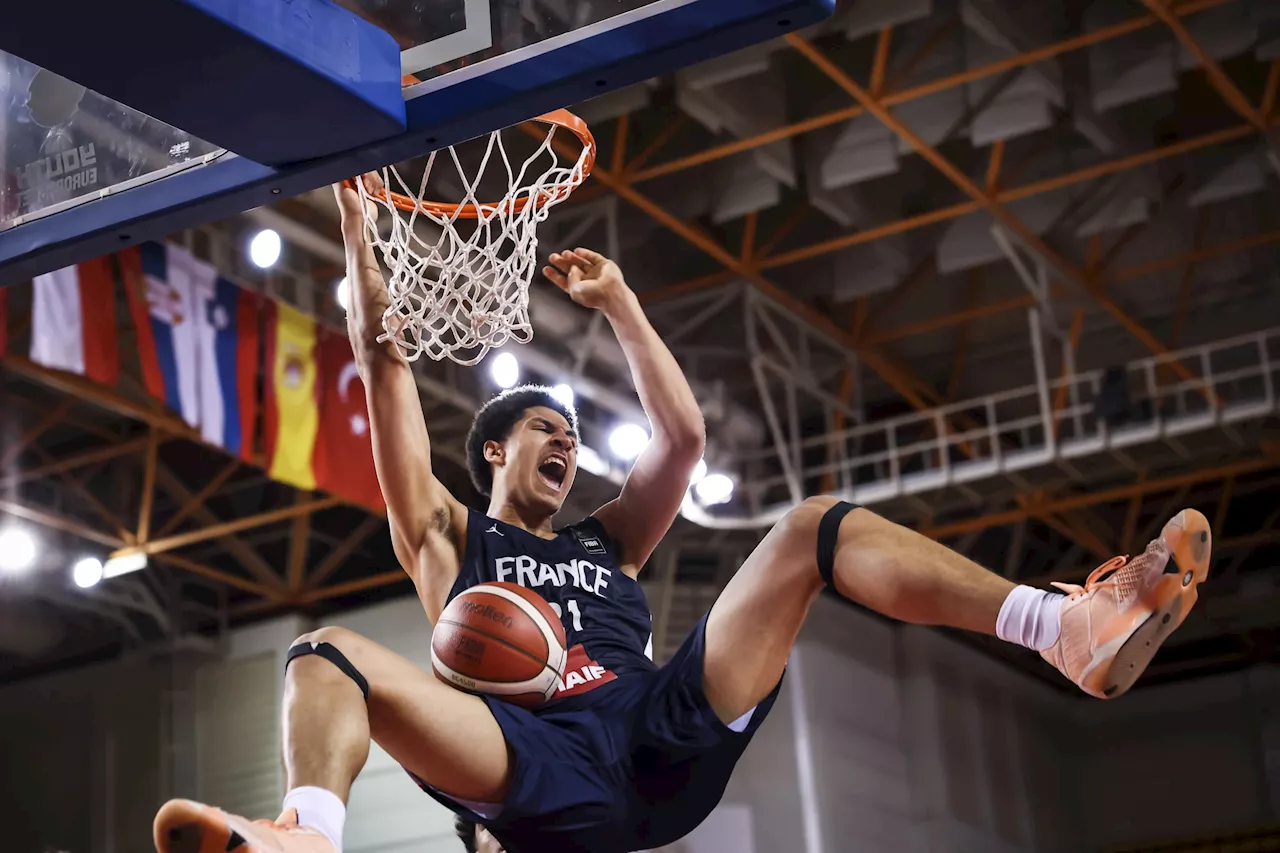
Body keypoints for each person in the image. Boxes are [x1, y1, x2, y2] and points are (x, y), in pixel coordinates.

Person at [151, 178, 1213, 853]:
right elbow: (384, 363)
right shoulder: (445, 537)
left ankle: (1058, 626)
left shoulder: (604, 541)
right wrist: (355, 227)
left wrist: (619, 305)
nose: (566, 444)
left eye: (572, 437)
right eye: (542, 432)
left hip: (658, 739)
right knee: (324, 651)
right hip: (533, 764)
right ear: (489, 449)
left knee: (807, 528)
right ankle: (308, 835)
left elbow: (682, 444)